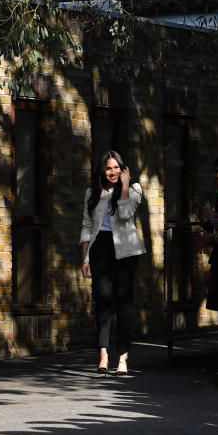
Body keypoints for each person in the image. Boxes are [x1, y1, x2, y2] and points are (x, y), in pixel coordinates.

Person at [79, 150, 145, 375]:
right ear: (102, 170)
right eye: (109, 168)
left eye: (117, 167)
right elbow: (87, 227)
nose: (113, 172)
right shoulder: (92, 192)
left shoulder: (134, 189)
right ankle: (104, 355)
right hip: (101, 249)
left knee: (124, 304)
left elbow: (126, 214)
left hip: (126, 251)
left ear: (123, 169)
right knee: (103, 303)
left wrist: (125, 186)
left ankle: (123, 358)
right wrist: (85, 258)